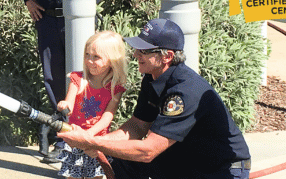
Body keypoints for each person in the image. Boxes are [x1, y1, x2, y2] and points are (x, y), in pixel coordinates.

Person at [58, 19, 251, 179]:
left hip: (220, 169)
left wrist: (94, 143)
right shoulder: (152, 78)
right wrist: (94, 141)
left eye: (143, 51)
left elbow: (148, 151)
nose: (135, 54)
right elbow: (137, 126)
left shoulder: (184, 92)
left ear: (166, 56)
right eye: (137, 48)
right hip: (185, 159)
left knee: (130, 155)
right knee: (120, 160)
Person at [16, 0, 113, 162]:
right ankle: (64, 136)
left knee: (84, 76)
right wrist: (29, 0)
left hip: (80, 22)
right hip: (47, 20)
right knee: (54, 78)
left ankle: (89, 135)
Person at [56, 31, 128, 179]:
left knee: (95, 176)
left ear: (112, 60)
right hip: (74, 138)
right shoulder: (78, 78)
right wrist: (65, 105)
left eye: (96, 57)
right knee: (72, 175)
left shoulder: (115, 87)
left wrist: (89, 136)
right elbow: (69, 101)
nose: (89, 61)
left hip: (97, 141)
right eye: (87, 55)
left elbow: (107, 117)